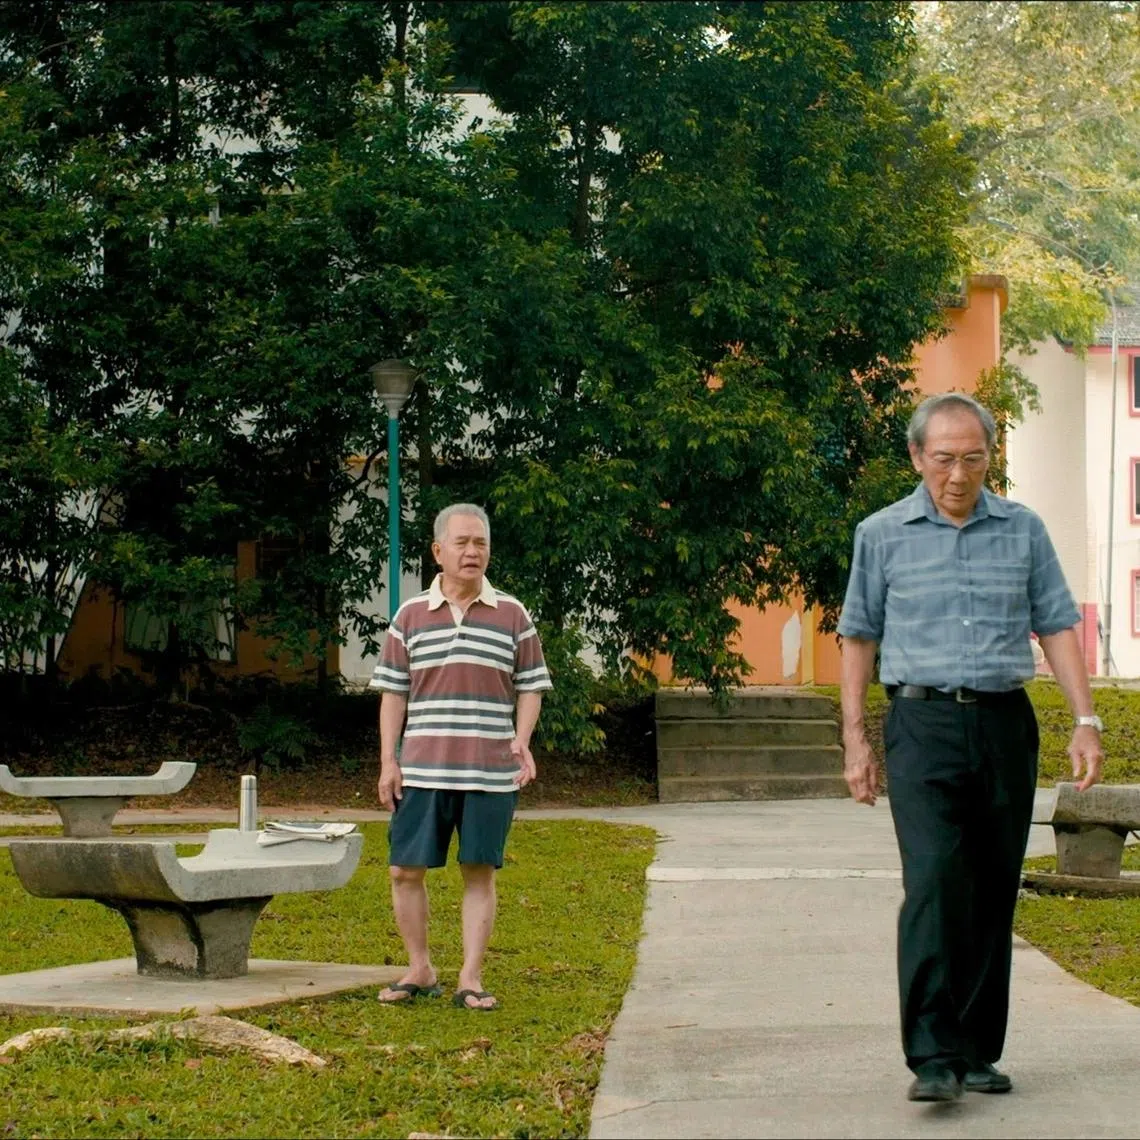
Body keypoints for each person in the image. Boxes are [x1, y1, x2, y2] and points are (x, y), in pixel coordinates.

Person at [837, 392, 1104, 1103]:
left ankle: (978, 1051)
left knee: (991, 887)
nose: (959, 474)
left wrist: (1086, 719)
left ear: (993, 456)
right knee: (931, 881)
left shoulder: (1022, 530)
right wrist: (855, 738)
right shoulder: (882, 533)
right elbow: (858, 634)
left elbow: (1055, 622)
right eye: (945, 458)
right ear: (917, 457)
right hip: (920, 727)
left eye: (974, 458)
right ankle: (932, 1054)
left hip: (1003, 725)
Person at [370, 502, 552, 1010]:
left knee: (478, 871)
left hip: (490, 773)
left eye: (481, 544)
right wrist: (389, 760)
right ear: (438, 551)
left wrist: (523, 738)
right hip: (421, 770)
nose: (472, 552)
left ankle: (470, 977)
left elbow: (532, 685)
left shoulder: (513, 614)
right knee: (404, 871)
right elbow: (393, 693)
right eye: (462, 543)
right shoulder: (409, 616)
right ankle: (420, 968)